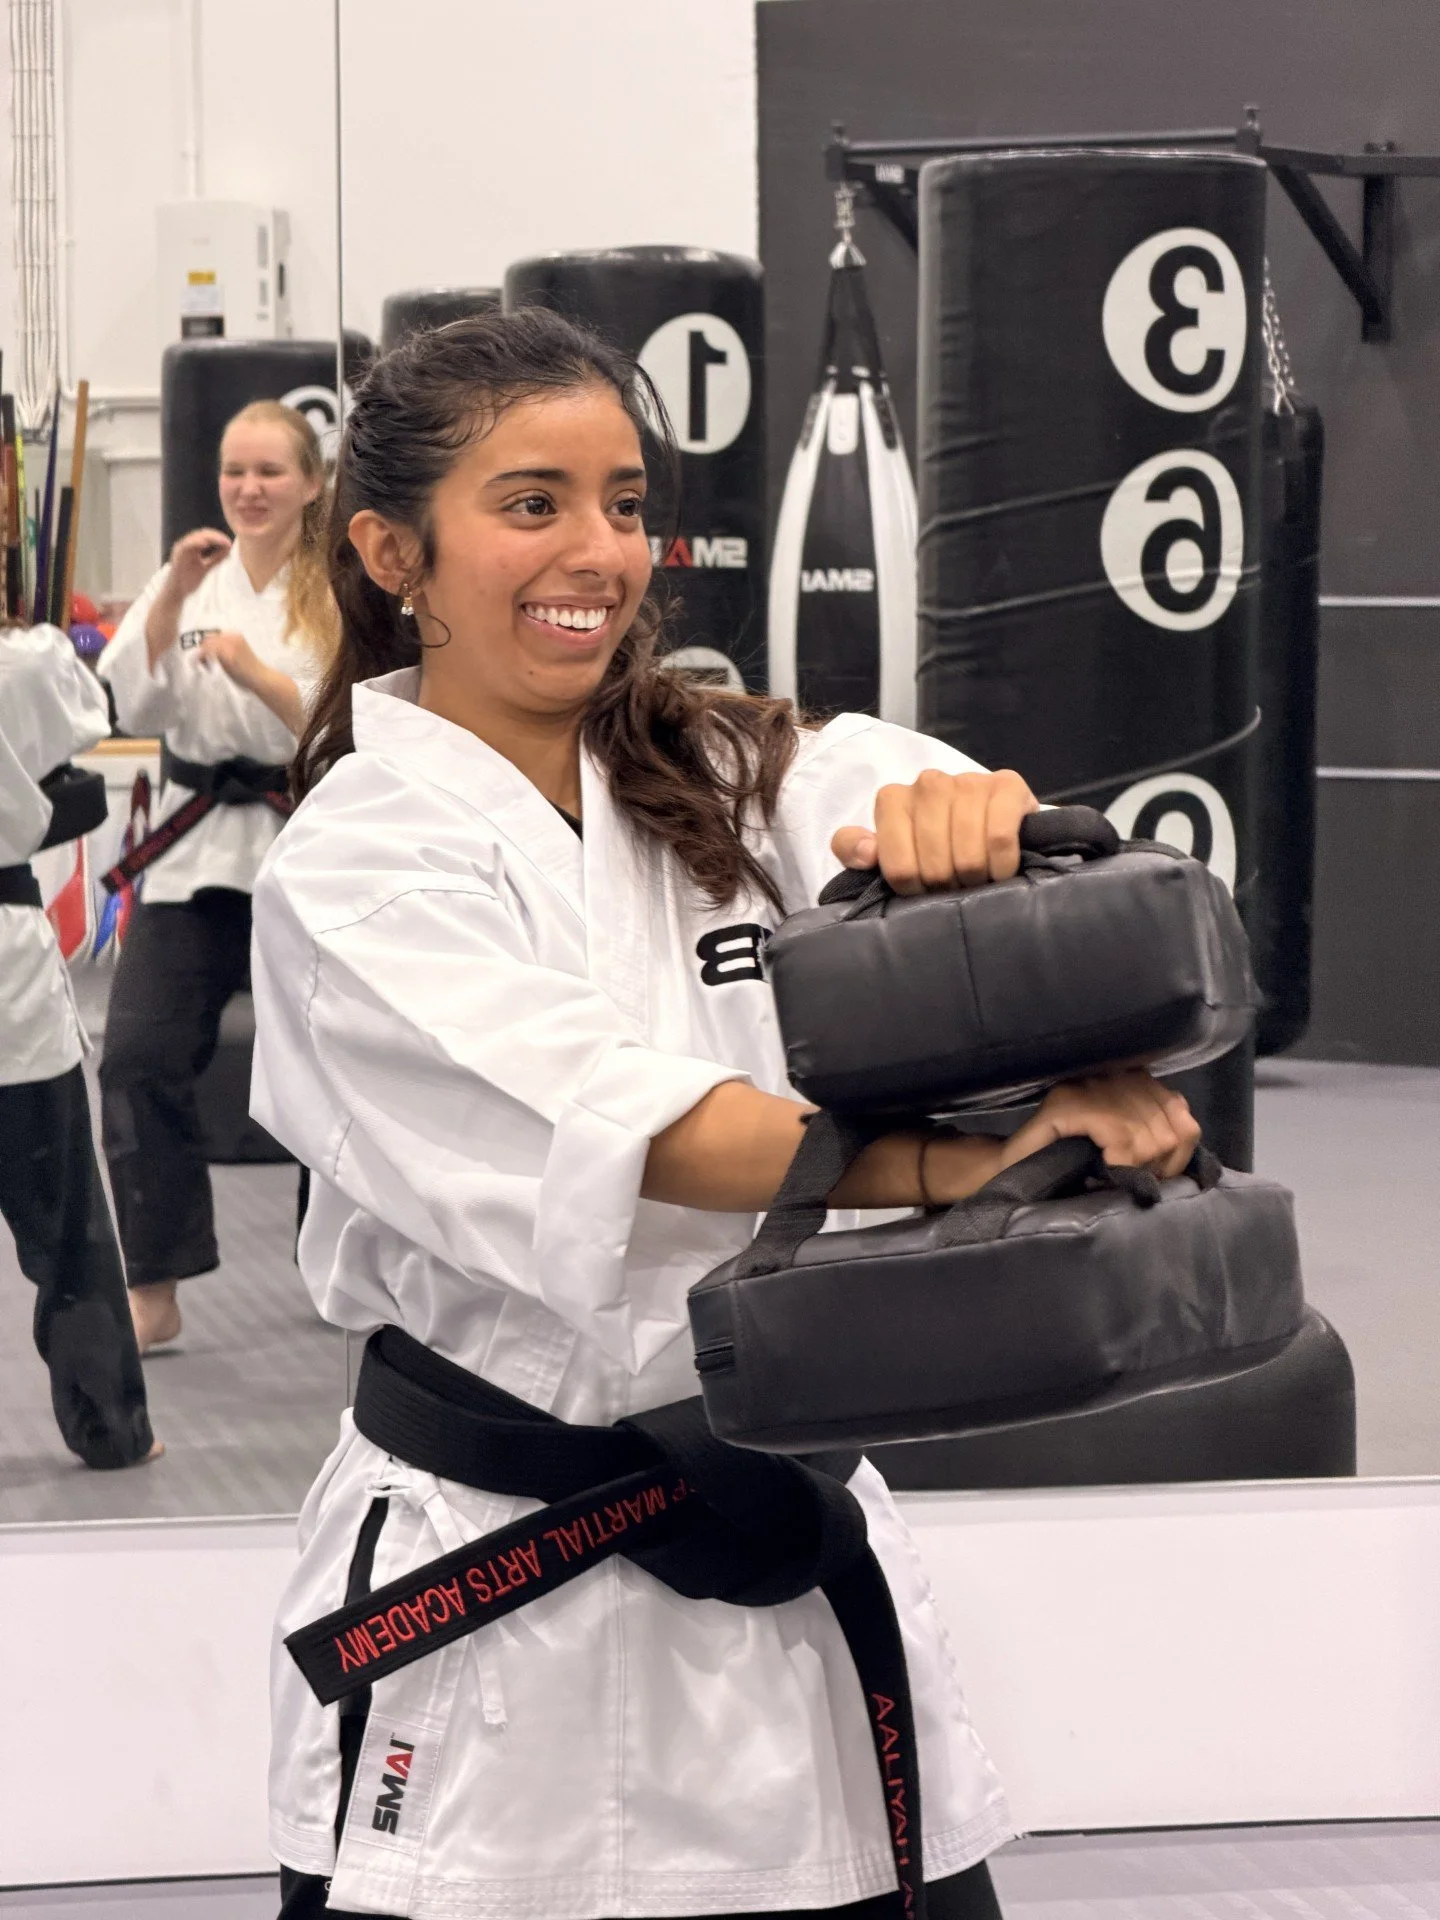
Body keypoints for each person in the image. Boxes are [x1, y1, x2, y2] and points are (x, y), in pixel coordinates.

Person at [249, 310, 1201, 1920]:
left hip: (784, 1564)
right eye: (532, 501)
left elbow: (1083, 913)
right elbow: (635, 1135)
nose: (599, 551)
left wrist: (1019, 902)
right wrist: (975, 1168)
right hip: (502, 1612)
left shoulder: (744, 770)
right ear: (390, 547)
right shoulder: (357, 860)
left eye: (625, 502)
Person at [97, 401, 337, 1354]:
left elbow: (336, 722)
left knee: (336, 1070)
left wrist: (253, 674)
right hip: (195, 856)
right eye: (235, 471)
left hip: (302, 847)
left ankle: (339, 1263)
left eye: (270, 471)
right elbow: (126, 697)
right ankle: (153, 1285)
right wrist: (167, 603)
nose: (248, 489)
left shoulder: (336, 585)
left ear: (312, 484)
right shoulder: (190, 577)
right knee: (138, 1060)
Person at [0, 621, 159, 1469]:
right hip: (8, 981)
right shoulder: (25, 662)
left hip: (9, 976)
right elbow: (78, 767)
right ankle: (111, 1428)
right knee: (63, 1228)